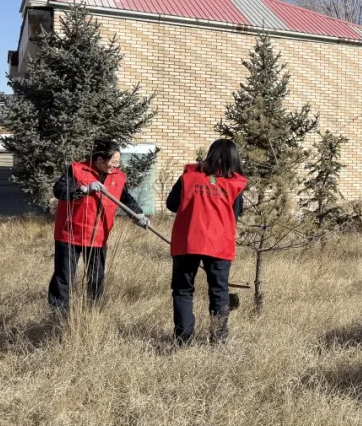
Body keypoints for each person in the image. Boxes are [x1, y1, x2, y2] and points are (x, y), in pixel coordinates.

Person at [48, 138, 150, 315]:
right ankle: (58, 313)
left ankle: (93, 312)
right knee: (65, 276)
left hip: (99, 235)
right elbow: (59, 191)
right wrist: (85, 189)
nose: (116, 166)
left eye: (118, 162)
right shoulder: (76, 170)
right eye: (113, 162)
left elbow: (126, 199)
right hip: (70, 233)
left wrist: (138, 214)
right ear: (100, 160)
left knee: (96, 278)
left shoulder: (118, 176)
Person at [166, 139, 248, 345]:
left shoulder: (189, 177)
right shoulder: (234, 183)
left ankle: (183, 340)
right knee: (219, 291)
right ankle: (218, 340)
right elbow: (236, 213)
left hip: (188, 240)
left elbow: (171, 204)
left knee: (183, 290)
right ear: (234, 159)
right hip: (219, 243)